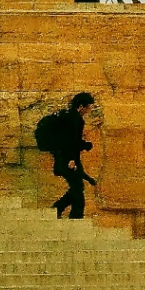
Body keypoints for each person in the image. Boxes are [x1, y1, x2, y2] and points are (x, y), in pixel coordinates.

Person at [52, 92, 97, 220]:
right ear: (81, 106)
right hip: (69, 159)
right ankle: (72, 216)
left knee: (77, 188)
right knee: (77, 190)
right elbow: (71, 141)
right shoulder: (76, 119)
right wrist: (72, 158)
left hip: (63, 158)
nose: (89, 110)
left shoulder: (69, 117)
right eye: (88, 107)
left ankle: (58, 210)